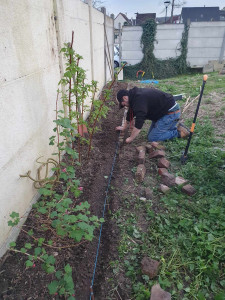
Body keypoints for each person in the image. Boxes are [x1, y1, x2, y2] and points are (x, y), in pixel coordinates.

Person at [116, 87, 189, 143]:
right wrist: (124, 127)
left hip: (170, 113)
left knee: (153, 138)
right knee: (151, 135)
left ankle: (179, 133)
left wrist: (131, 138)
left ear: (124, 98)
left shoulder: (139, 101)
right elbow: (130, 113)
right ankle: (170, 128)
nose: (125, 106)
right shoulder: (134, 96)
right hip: (161, 113)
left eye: (123, 104)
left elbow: (139, 123)